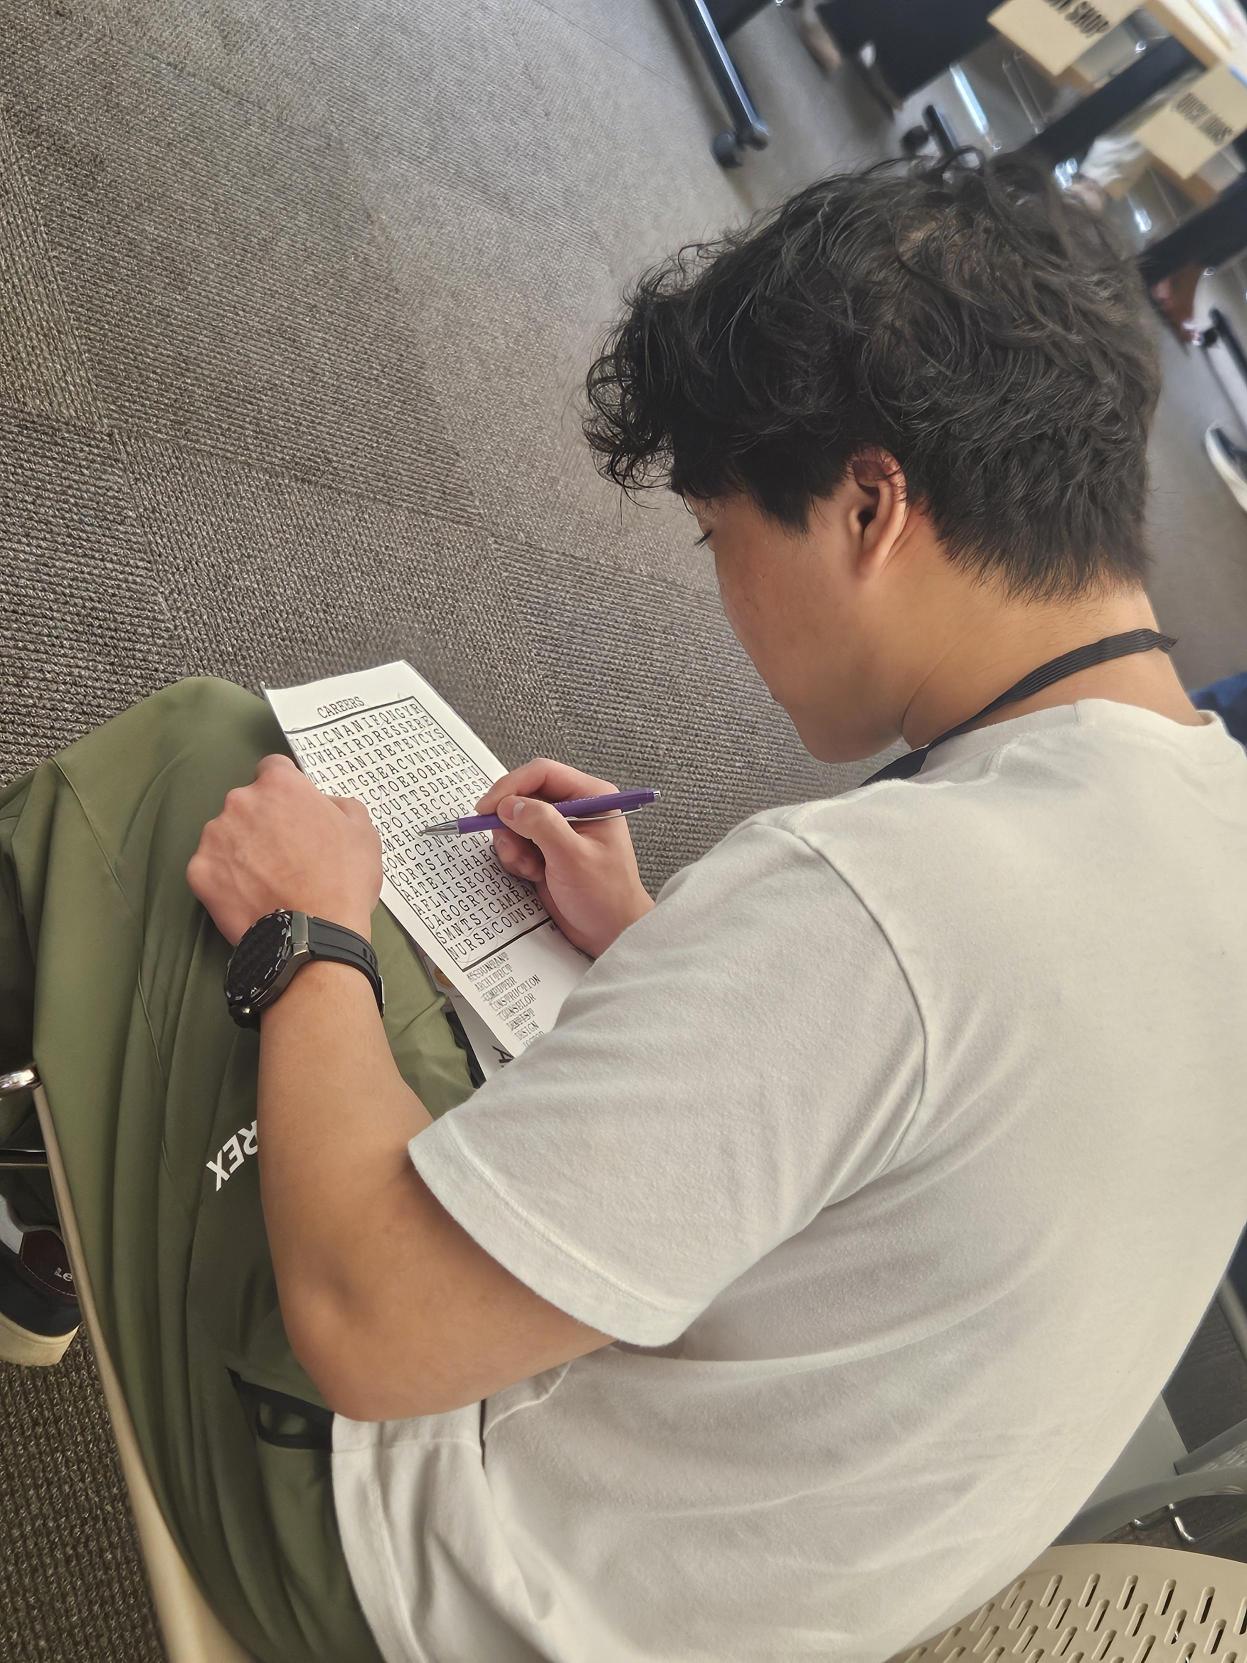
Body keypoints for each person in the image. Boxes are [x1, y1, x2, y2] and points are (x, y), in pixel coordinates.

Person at [3, 155, 1247, 1663]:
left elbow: (374, 1323)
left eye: (723, 538)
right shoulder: (1209, 828)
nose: (724, 598)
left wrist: (306, 937)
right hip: (722, 1588)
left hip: (424, 1571)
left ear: (868, 507)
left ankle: (39, 1191)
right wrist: (658, 940)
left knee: (211, 761)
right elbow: (928, 1121)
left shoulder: (877, 901)